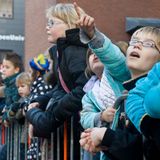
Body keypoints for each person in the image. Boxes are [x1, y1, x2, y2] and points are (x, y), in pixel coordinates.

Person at [74, 2, 160, 160]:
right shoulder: (127, 86)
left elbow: (143, 148)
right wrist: (104, 143)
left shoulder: (154, 95)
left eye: (148, 44)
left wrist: (105, 136)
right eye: (134, 42)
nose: (138, 46)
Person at [25, 3, 88, 160]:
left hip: (77, 126)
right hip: (69, 123)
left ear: (70, 24)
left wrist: (53, 115)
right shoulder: (62, 50)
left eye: (52, 23)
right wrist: (40, 101)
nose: (47, 27)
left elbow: (83, 89)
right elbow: (61, 87)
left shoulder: (75, 51)